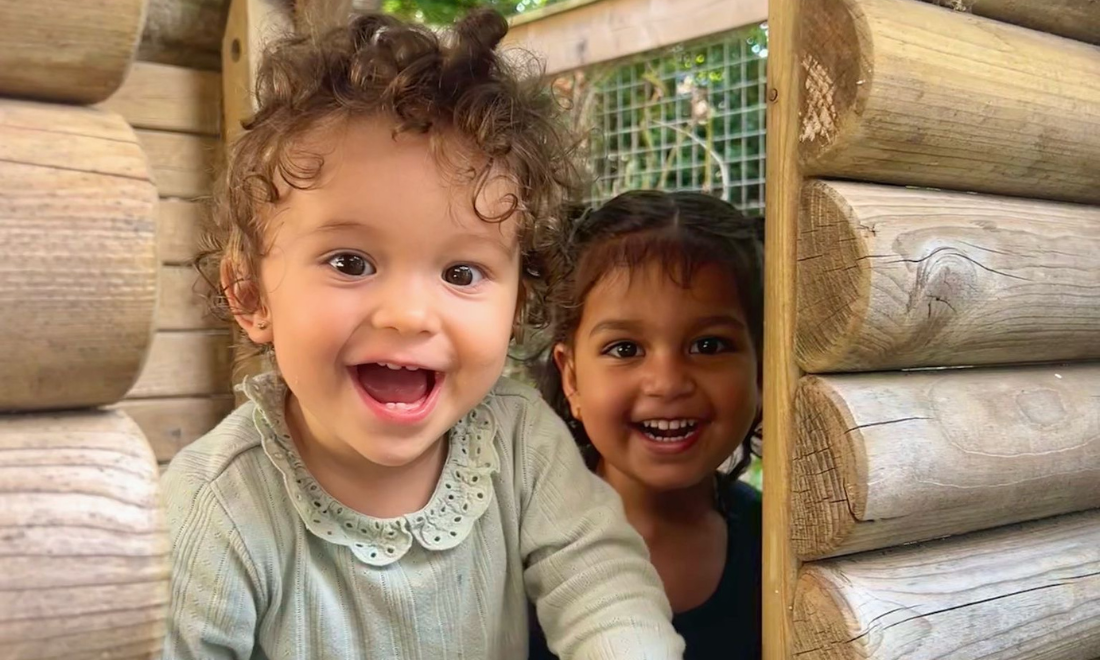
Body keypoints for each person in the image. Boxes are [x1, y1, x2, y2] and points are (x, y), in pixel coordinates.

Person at [161, 11, 684, 660]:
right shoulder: (215, 506)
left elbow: (606, 589)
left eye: (462, 272)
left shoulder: (520, 444)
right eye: (350, 262)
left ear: (518, 302)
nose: (409, 315)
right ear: (250, 295)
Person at [528, 190, 763, 659]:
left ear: (764, 367)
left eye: (709, 346)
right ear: (570, 377)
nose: (667, 383)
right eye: (625, 349)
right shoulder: (510, 547)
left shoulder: (781, 547)